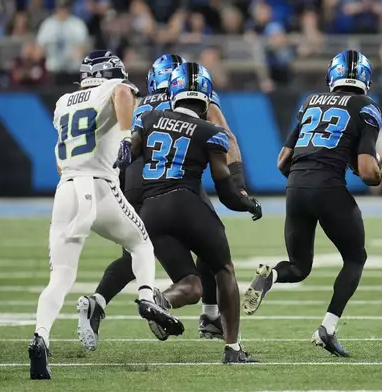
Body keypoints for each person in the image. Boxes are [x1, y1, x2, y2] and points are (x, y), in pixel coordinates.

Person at [76, 54, 247, 351]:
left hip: (132, 179)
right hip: (174, 179)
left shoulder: (139, 102)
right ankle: (208, 316)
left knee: (137, 252)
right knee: (210, 240)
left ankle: (98, 301)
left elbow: (119, 143)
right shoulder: (190, 98)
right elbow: (226, 136)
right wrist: (239, 184)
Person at [28, 50, 182, 380]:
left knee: (61, 277)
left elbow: (60, 159)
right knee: (141, 244)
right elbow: (123, 92)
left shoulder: (63, 102)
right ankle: (145, 296)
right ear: (112, 71)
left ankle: (40, 337)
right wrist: (126, 136)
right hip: (99, 186)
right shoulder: (113, 87)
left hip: (66, 188)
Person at [116, 62, 261, 363]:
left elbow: (128, 154)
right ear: (206, 96)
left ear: (173, 92)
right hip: (187, 203)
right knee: (223, 269)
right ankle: (232, 349)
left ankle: (162, 300)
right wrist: (247, 203)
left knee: (191, 285)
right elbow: (226, 193)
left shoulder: (150, 118)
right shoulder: (211, 132)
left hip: (151, 210)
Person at [242, 50, 382, 357]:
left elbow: (282, 162)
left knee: (298, 266)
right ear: (366, 80)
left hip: (296, 187)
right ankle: (327, 329)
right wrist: (369, 166)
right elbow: (370, 172)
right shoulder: (366, 106)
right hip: (329, 187)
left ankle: (270, 276)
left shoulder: (311, 102)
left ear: (331, 77)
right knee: (355, 258)